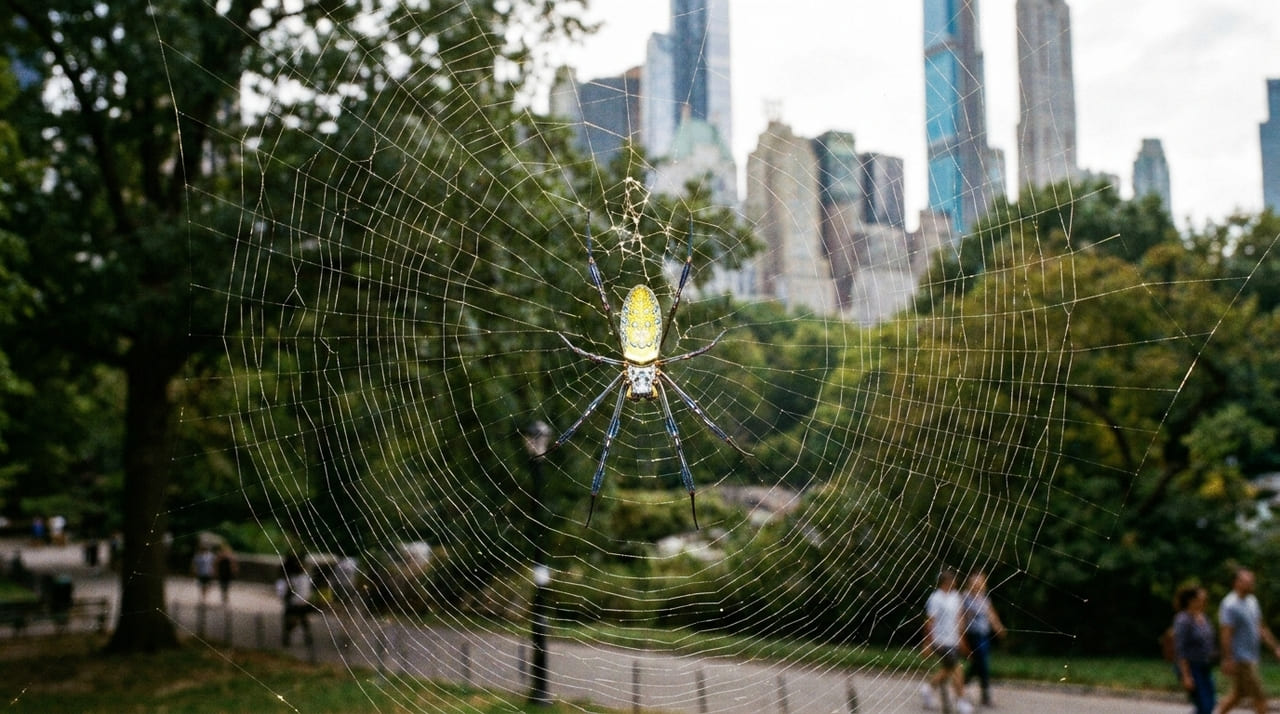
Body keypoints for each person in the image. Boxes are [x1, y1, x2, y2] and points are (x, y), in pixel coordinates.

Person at [1215, 568, 1280, 714]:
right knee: (1260, 697)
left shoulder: (1252, 601)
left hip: (1252, 656)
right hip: (1240, 659)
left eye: (1252, 581)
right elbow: (1226, 634)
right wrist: (1227, 659)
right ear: (1236, 583)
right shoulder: (1230, 604)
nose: (1251, 584)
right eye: (1247, 581)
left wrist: (1275, 647)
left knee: (1237, 695)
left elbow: (1260, 627)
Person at [921, 568, 973, 713]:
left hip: (953, 639)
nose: (955, 582)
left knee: (948, 670)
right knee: (957, 669)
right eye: (953, 580)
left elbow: (959, 618)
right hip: (940, 640)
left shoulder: (956, 596)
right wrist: (927, 642)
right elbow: (929, 621)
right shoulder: (935, 598)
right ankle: (961, 702)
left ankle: (928, 689)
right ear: (946, 582)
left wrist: (962, 639)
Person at [961, 570, 1005, 707]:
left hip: (984, 634)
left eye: (981, 581)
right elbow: (961, 616)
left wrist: (998, 626)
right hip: (972, 634)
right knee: (982, 661)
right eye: (976, 581)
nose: (978, 584)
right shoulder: (965, 597)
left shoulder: (984, 598)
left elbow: (991, 613)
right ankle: (984, 694)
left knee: (979, 662)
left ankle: (964, 684)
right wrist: (961, 635)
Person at [1173, 584, 1216, 714]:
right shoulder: (1183, 620)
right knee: (1204, 706)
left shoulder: (1203, 617)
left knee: (1210, 703)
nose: (1205, 599)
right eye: (1201, 597)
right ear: (1192, 600)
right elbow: (1180, 649)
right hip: (1191, 667)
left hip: (1205, 666)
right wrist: (1186, 676)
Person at [277, 553, 314, 647]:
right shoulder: (301, 578)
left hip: (296, 604)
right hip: (299, 604)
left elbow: (282, 593)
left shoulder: (295, 578)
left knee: (296, 620)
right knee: (299, 620)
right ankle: (303, 636)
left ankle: (288, 636)